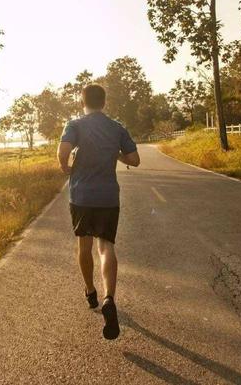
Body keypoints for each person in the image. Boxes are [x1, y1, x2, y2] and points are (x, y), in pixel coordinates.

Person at [57, 84, 140, 340]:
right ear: (104, 102)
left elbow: (62, 152)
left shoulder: (75, 124)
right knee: (106, 247)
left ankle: (90, 291)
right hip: (107, 197)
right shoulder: (116, 127)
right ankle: (109, 298)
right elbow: (135, 159)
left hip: (81, 196)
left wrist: (66, 167)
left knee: (84, 246)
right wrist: (115, 155)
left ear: (83, 101)